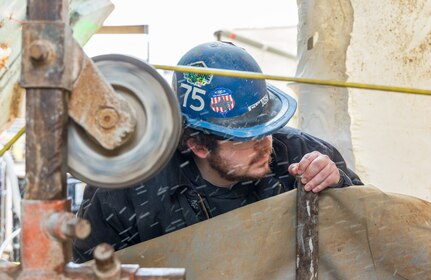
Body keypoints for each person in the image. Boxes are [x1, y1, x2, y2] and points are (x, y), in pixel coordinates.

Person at [72, 41, 363, 263]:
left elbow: (367, 231)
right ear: (197, 145)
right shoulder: (127, 191)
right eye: (243, 137)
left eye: (266, 127)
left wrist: (339, 185)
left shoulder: (303, 153)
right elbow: (88, 267)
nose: (265, 144)